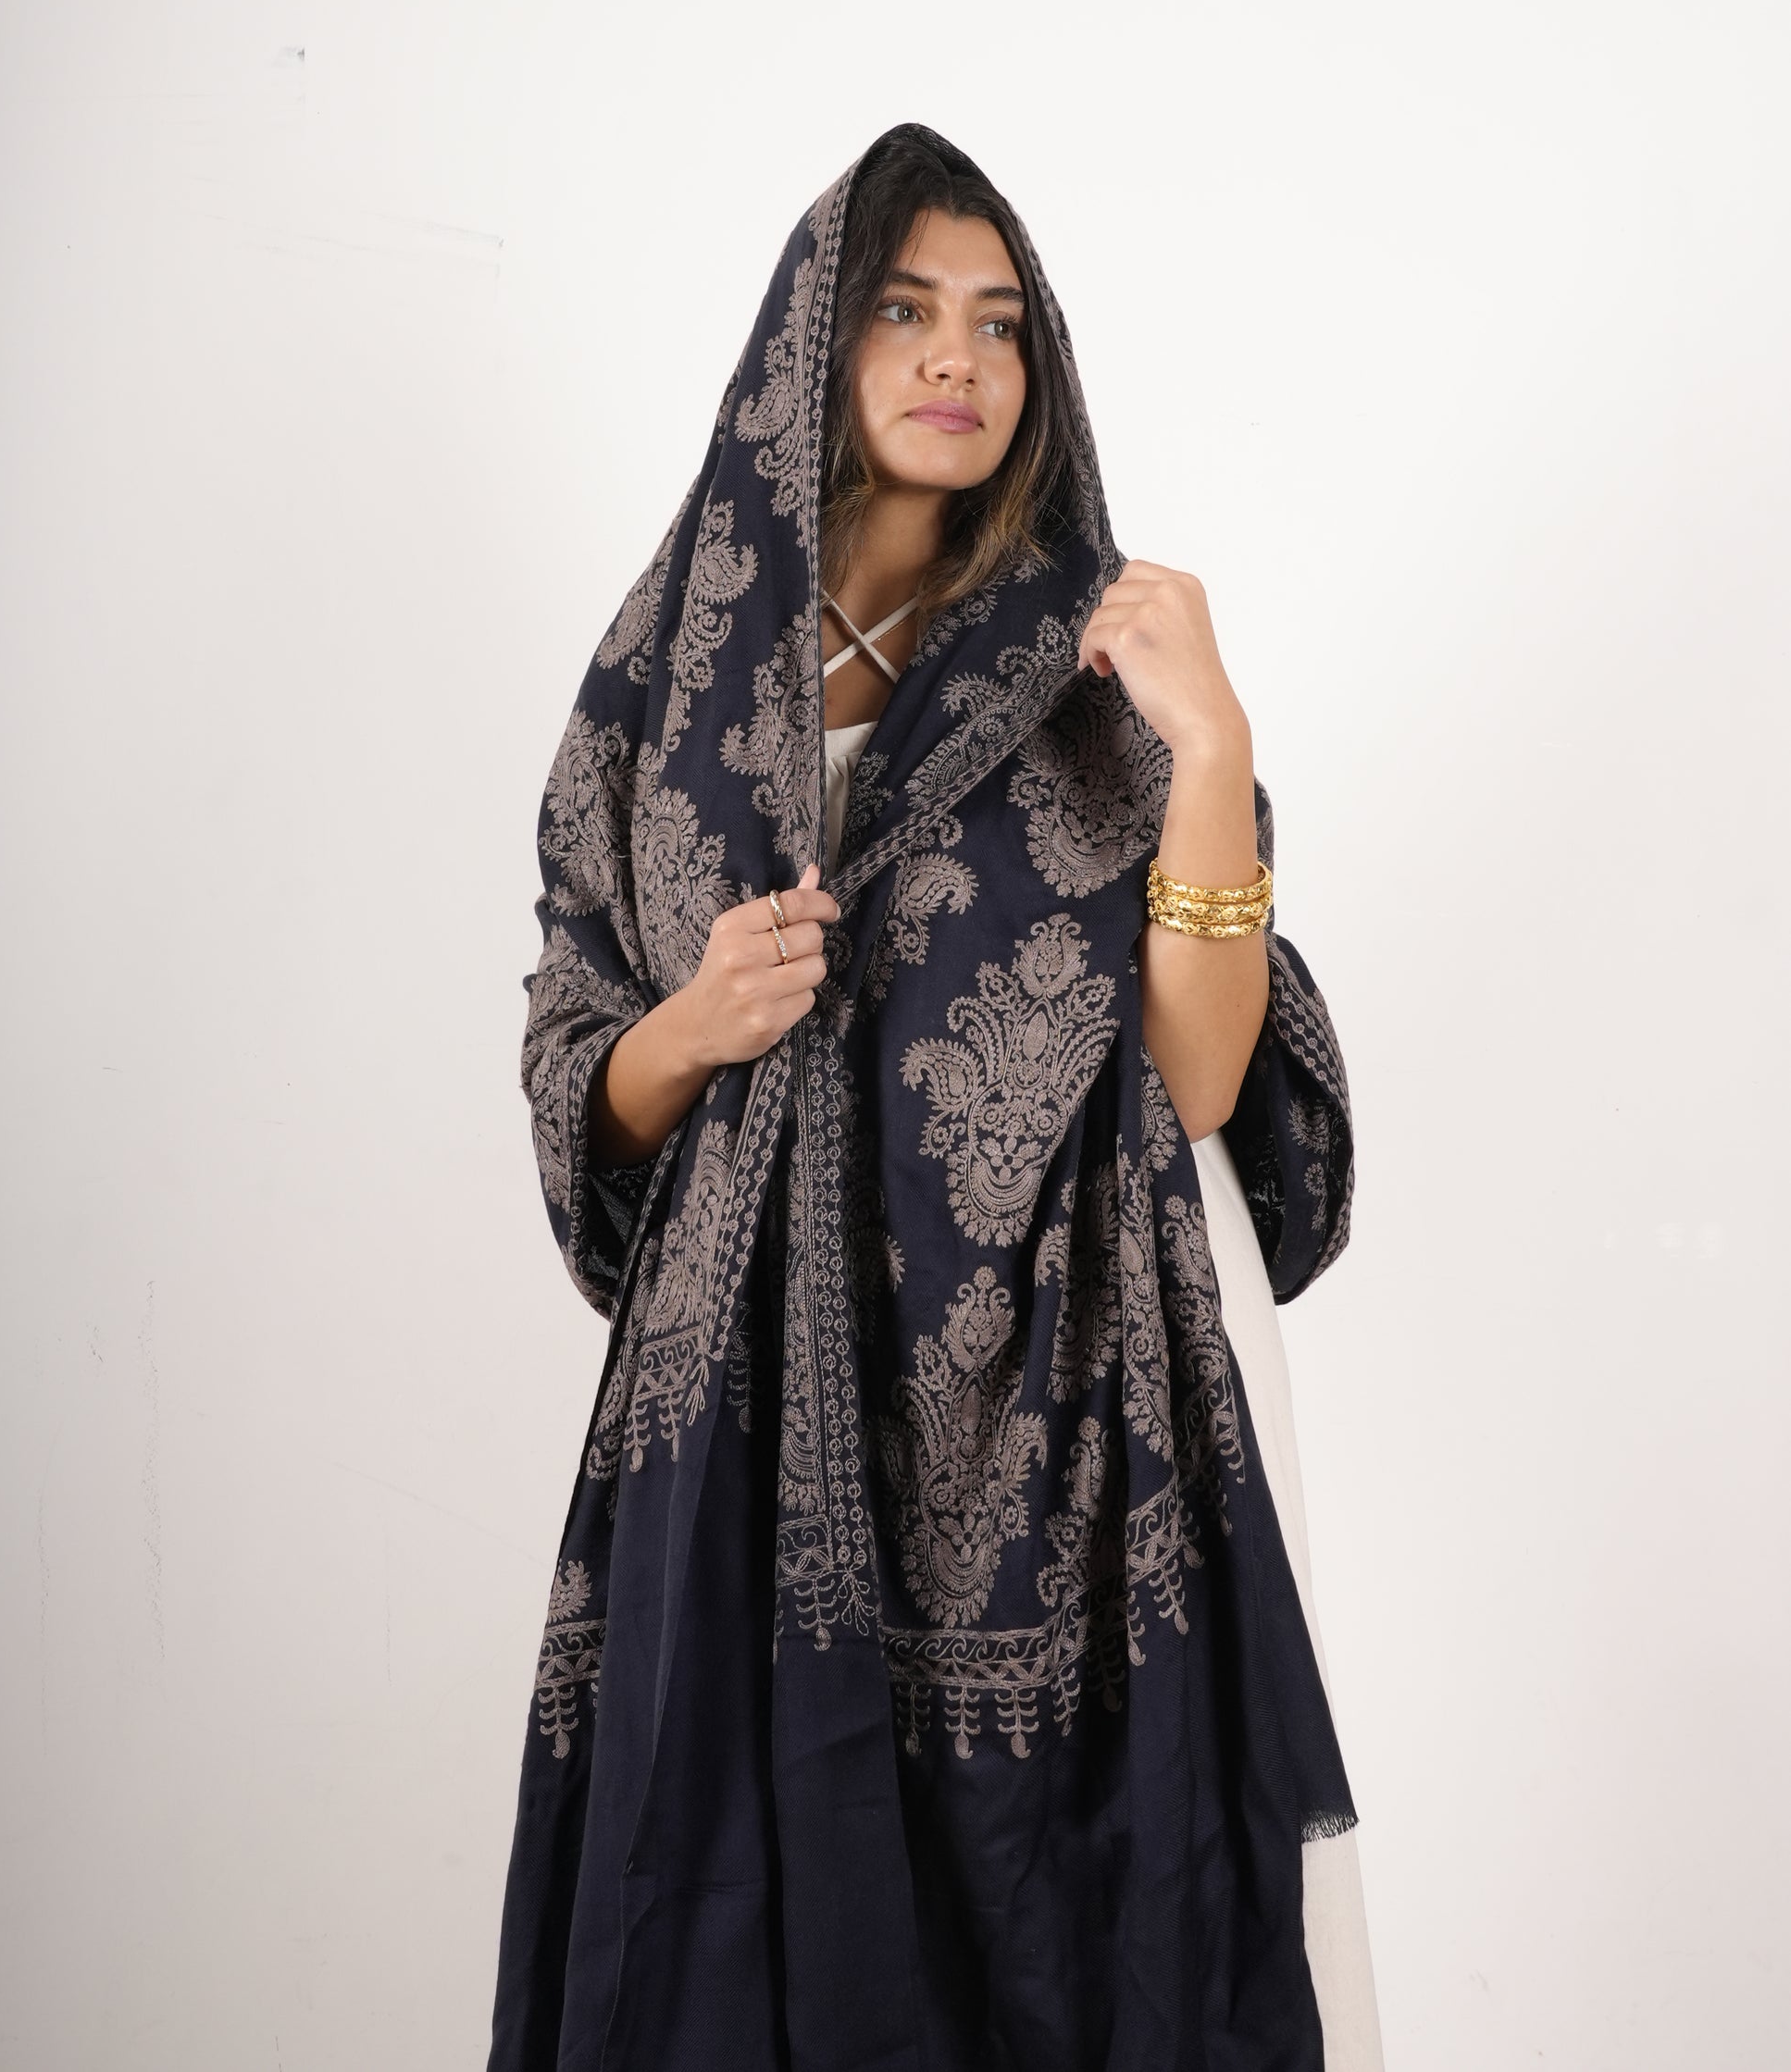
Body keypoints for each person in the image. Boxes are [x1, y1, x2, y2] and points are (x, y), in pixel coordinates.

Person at [487, 124, 1382, 2071]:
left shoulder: (1104, 662)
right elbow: (581, 1066)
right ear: (812, 342)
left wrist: (1211, 745)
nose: (952, 357)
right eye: (902, 310)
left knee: (1079, 1933)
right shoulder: (668, 680)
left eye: (996, 324)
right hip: (753, 1418)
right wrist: (694, 1023)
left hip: (1084, 1396)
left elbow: (1210, 1068)